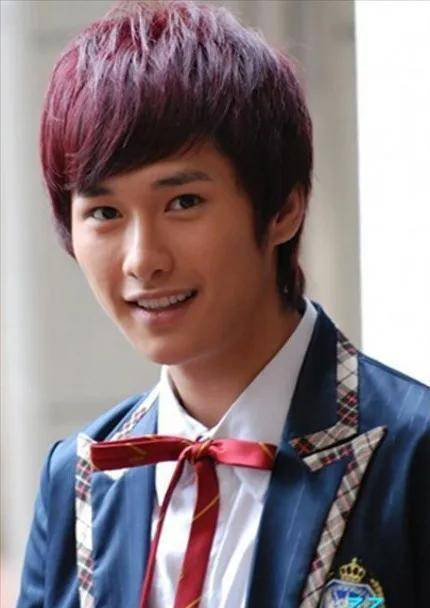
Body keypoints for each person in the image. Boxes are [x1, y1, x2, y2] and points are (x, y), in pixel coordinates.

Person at [17, 1, 429, 607]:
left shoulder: (413, 453)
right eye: (104, 212)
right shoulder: (78, 476)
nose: (142, 260)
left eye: (183, 202)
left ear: (284, 207)